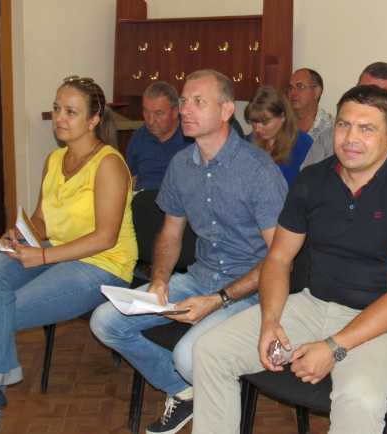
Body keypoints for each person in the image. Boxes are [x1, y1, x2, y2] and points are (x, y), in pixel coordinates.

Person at [191, 85, 387, 434]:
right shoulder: (312, 179)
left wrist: (333, 347)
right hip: (311, 305)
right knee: (210, 351)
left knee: (360, 400)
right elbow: (279, 258)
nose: (351, 138)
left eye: (367, 129)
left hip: (381, 322)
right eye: (344, 125)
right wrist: (270, 321)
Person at [89, 69, 287, 434]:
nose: (185, 110)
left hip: (251, 291)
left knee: (188, 355)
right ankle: (185, 391)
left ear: (226, 110)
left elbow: (280, 258)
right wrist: (159, 281)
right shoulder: (181, 165)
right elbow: (170, 233)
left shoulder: (258, 171)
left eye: (198, 102)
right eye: (183, 101)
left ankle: (209, 394)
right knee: (105, 321)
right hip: (199, 278)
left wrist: (219, 299)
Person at [0, 75, 137, 432]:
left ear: (93, 119)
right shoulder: (55, 159)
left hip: (103, 264)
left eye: (71, 111)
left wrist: (40, 257)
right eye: (57, 108)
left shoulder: (109, 164)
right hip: (58, 252)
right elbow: (42, 220)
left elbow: (105, 238)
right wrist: (21, 235)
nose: (59, 117)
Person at [126, 81, 192, 192]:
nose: (150, 121)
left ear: (176, 111)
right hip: (143, 198)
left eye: (158, 113)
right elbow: (129, 178)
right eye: (146, 112)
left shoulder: (192, 138)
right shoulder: (138, 138)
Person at [245, 85, 313, 185]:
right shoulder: (248, 142)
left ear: (282, 116)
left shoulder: (303, 144)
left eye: (265, 122)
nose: (257, 129)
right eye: (254, 122)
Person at [287, 68, 334, 167]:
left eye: (300, 86)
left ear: (317, 92)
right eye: (290, 88)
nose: (293, 93)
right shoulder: (281, 124)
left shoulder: (331, 129)